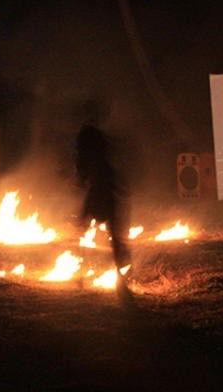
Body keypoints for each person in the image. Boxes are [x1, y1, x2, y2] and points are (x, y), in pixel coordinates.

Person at [74, 98, 133, 300]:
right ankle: (117, 281)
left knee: (88, 230)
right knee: (113, 236)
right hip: (103, 188)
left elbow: (83, 161)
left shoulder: (89, 134)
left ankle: (84, 277)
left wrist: (81, 178)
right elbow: (88, 160)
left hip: (100, 188)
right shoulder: (93, 134)